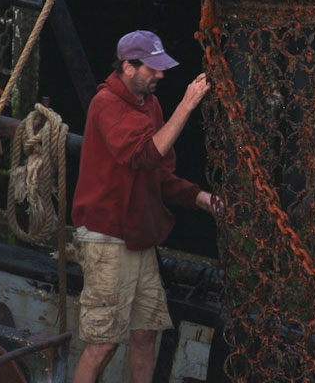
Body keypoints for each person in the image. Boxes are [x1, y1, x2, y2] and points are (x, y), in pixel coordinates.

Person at [71, 30, 214, 383]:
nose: (161, 75)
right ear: (128, 67)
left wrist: (203, 200)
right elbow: (144, 154)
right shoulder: (105, 104)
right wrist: (188, 104)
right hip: (106, 239)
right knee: (103, 344)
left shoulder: (150, 105)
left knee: (145, 334)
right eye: (153, 68)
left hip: (138, 239)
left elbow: (160, 174)